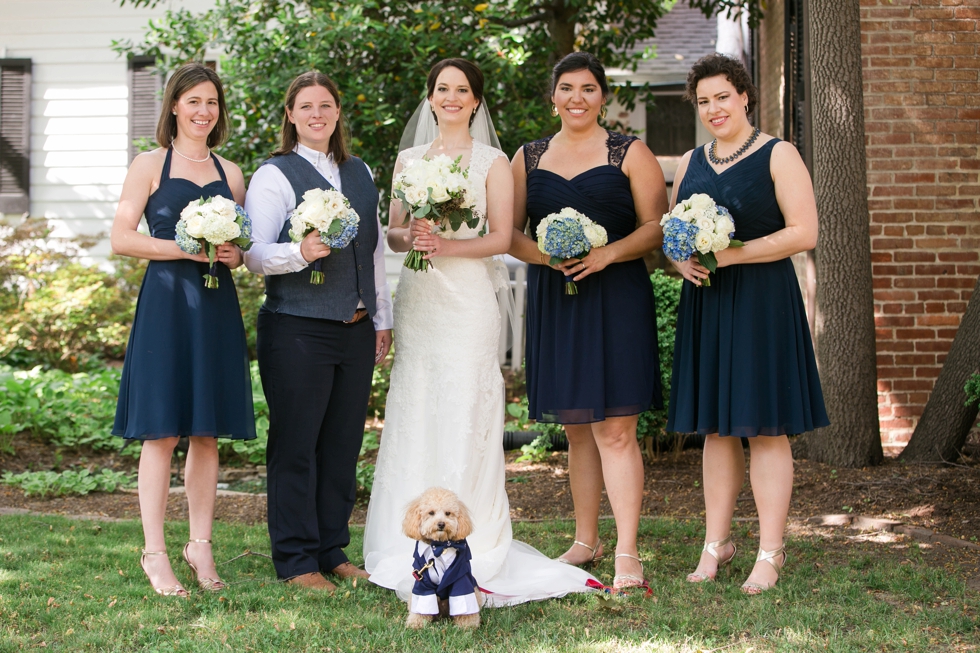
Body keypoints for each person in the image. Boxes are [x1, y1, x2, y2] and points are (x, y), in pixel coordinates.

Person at [364, 58, 596, 605]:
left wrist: (446, 245)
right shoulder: (407, 160)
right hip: (421, 300)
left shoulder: (493, 162)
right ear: (430, 99)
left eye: (461, 90)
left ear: (475, 102)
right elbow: (393, 233)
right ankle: (411, 535)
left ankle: (474, 534)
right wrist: (412, 234)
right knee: (418, 402)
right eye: (441, 89)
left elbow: (501, 238)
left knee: (467, 404)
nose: (450, 97)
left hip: (468, 301)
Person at [667, 53, 829, 594]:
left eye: (722, 97)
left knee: (763, 427)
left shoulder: (778, 154)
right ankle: (716, 545)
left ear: (744, 96)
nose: (713, 108)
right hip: (708, 302)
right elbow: (674, 234)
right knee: (715, 427)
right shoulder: (691, 159)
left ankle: (770, 551)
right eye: (704, 100)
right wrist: (680, 259)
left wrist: (736, 254)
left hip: (761, 300)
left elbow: (804, 232)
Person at [508, 52, 668, 590]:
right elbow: (510, 234)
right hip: (558, 297)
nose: (578, 98)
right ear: (553, 96)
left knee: (617, 429)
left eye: (589, 89)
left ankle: (627, 552)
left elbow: (655, 227)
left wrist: (607, 254)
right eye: (567, 88)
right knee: (577, 429)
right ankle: (584, 540)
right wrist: (547, 258)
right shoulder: (527, 157)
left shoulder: (630, 151)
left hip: (616, 294)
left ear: (603, 97)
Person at [243, 72, 393, 591]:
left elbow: (372, 251)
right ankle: (295, 558)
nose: (316, 114)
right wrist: (298, 253)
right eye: (305, 106)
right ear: (290, 114)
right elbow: (252, 255)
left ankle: (332, 549)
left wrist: (381, 317)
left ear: (336, 112)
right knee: (297, 444)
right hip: (297, 328)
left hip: (354, 327)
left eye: (325, 105)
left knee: (342, 445)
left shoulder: (360, 171)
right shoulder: (274, 175)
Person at [111, 62, 254, 597]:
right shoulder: (149, 164)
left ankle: (201, 545)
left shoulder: (231, 172)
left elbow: (237, 254)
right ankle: (154, 552)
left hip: (215, 306)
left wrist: (229, 253)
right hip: (167, 304)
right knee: (163, 430)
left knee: (206, 429)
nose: (203, 110)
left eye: (212, 102)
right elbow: (122, 238)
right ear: (174, 105)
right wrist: (184, 248)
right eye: (193, 100)